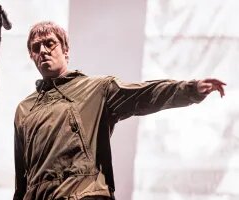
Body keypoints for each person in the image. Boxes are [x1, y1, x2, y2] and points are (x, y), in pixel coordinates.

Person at [13, 21, 226, 200]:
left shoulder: (96, 89)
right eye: (36, 47)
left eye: (49, 43)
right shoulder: (25, 109)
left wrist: (190, 89)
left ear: (65, 50)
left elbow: (144, 94)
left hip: (82, 194)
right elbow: (21, 178)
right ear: (32, 56)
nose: (43, 50)